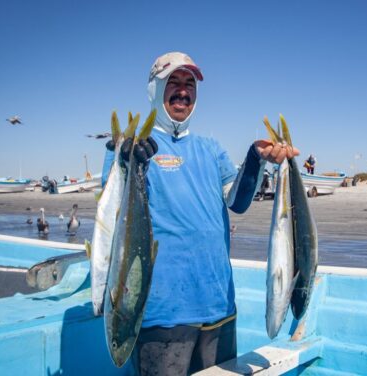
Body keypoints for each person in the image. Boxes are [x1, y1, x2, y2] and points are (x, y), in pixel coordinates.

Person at [101, 51, 299, 375]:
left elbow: (237, 201)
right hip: (163, 313)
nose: (183, 90)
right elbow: (111, 213)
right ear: (154, 88)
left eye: (189, 84)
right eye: (173, 82)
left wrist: (255, 158)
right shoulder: (136, 146)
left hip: (219, 304)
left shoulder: (211, 149)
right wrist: (125, 162)